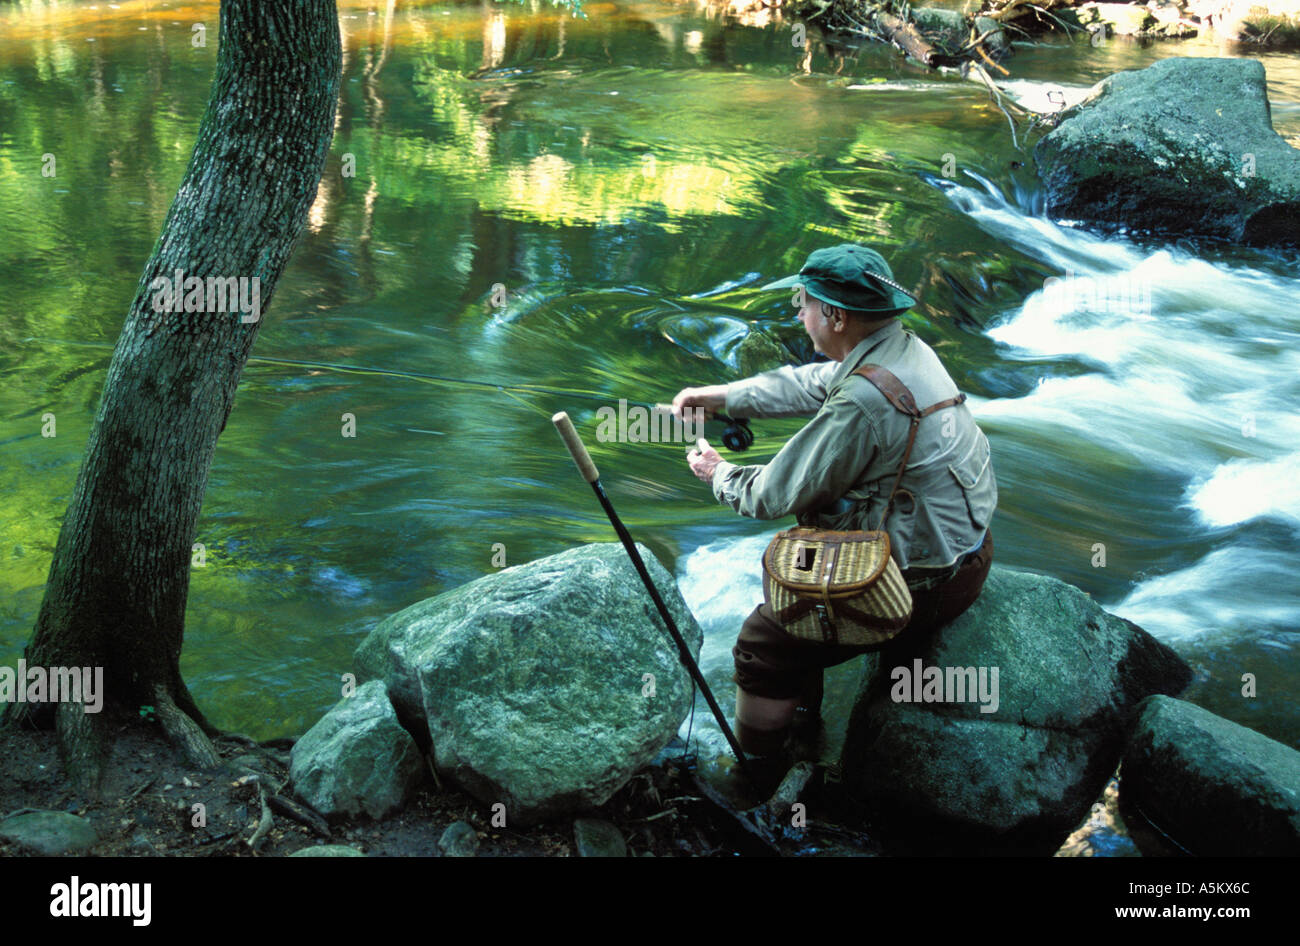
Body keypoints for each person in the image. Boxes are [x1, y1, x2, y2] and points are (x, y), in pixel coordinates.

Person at [671, 244, 997, 774]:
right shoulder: (903, 351)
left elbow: (772, 495)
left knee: (763, 642)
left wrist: (717, 473)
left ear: (836, 315)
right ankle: (805, 724)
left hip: (923, 588)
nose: (798, 313)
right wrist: (722, 397)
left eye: (803, 303)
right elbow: (816, 381)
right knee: (808, 576)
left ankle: (756, 768)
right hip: (972, 553)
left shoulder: (863, 403)